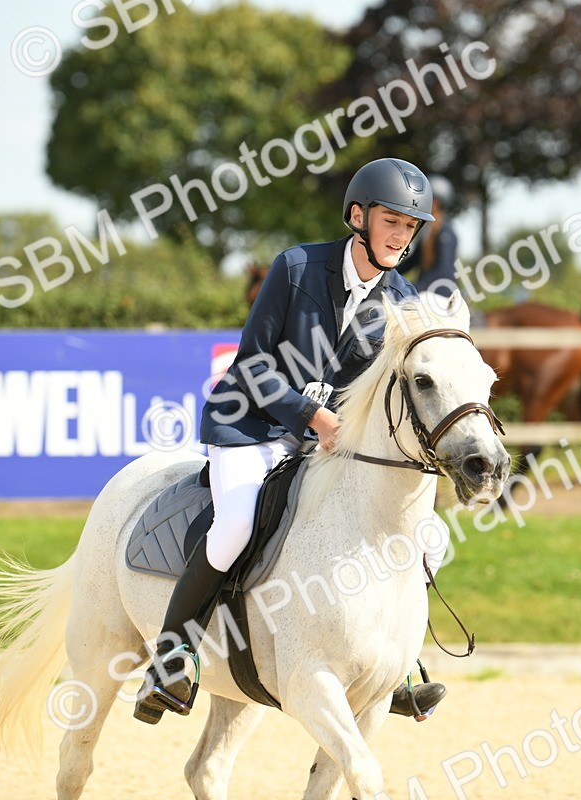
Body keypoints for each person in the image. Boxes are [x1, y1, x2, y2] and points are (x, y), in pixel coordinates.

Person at [134, 157, 450, 725]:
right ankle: (172, 655)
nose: (402, 236)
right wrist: (313, 415)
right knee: (236, 524)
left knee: (428, 539)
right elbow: (253, 362)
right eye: (392, 222)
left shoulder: (402, 300)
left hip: (325, 442)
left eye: (410, 227)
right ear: (358, 216)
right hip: (251, 425)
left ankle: (396, 664)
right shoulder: (298, 267)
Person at [397, 174, 460, 297]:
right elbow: (414, 261)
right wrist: (389, 273)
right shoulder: (428, 231)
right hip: (426, 290)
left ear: (436, 203)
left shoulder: (446, 234)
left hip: (441, 293)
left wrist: (415, 287)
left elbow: (442, 270)